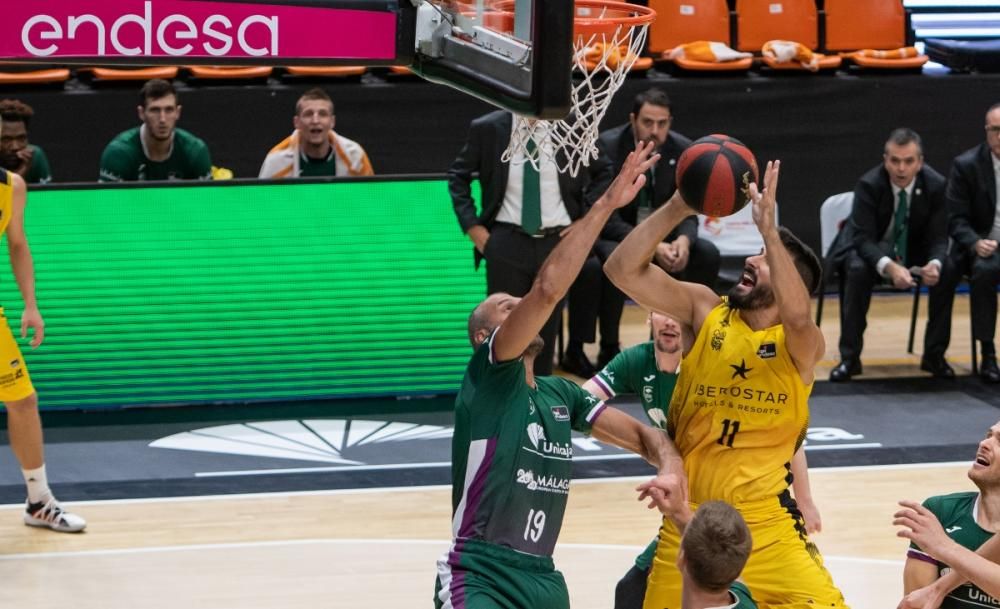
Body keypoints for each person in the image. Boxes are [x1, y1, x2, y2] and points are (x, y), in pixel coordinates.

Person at [434, 141, 685, 609]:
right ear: (484, 338)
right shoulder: (488, 377)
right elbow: (548, 289)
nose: (522, 308)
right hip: (480, 571)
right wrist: (606, 203)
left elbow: (648, 438)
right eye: (507, 307)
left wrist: (670, 470)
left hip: (544, 578)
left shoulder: (561, 396)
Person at [605, 160, 847, 608]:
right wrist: (680, 204)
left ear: (791, 282)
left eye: (766, 258)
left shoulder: (802, 345)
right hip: (689, 521)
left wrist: (771, 233)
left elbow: (796, 315)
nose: (751, 259)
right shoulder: (704, 310)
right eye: (756, 250)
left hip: (768, 528)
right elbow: (621, 271)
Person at [584, 312, 821, 609]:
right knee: (633, 590)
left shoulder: (712, 366)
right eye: (662, 313)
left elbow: (785, 438)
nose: (670, 322)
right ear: (648, 318)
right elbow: (583, 401)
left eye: (676, 316)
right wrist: (650, 442)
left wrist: (806, 499)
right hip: (692, 504)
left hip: (745, 499)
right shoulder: (636, 360)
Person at [448, 110, 613, 376]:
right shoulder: (488, 127)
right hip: (505, 242)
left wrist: (586, 219)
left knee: (543, 332)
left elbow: (604, 171)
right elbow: (458, 176)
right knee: (502, 332)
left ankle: (541, 402)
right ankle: (502, 398)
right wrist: (473, 228)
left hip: (558, 242)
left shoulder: (572, 127)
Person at [573, 89, 721, 370]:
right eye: (647, 122)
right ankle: (608, 347)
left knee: (706, 253)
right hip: (615, 234)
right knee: (614, 259)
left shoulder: (684, 150)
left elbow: (689, 209)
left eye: (662, 123)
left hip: (664, 237)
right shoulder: (607, 146)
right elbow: (602, 213)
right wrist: (651, 245)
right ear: (633, 119)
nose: (655, 130)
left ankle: (692, 339)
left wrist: (683, 240)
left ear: (670, 122)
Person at [0, 128, 85, 532]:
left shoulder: (11, 187)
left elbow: (17, 244)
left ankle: (39, 501)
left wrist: (31, 305)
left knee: (23, 401)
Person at [827, 128, 953, 382]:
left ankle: (934, 356)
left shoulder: (937, 186)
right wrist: (890, 267)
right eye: (895, 160)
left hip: (914, 252)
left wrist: (935, 263)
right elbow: (861, 239)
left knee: (948, 268)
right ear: (886, 160)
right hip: (872, 252)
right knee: (857, 269)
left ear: (920, 162)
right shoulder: (869, 184)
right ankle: (850, 358)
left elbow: (940, 237)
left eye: (908, 161)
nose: (901, 169)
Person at [894, 419, 1000, 607]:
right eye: (988, 436)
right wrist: (939, 588)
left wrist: (946, 548)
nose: (984, 444)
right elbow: (916, 603)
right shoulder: (941, 511)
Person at [942, 102, 1000, 383]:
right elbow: (955, 219)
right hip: (984, 245)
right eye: (996, 130)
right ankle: (988, 353)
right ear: (986, 132)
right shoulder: (967, 165)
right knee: (985, 271)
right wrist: (976, 242)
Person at [639, 476, 757, 609]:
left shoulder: (742, 592)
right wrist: (679, 512)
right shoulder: (745, 601)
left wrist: (678, 511)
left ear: (681, 559)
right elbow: (727, 558)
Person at [99, 79, 212, 182]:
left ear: (177, 113)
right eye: (155, 110)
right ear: (141, 113)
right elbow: (109, 203)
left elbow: (207, 202)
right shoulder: (118, 153)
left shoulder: (195, 151)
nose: (162, 119)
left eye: (169, 110)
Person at [258, 88, 373, 179]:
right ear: (297, 122)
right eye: (308, 114)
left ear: (332, 121)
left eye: (322, 114)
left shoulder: (355, 156)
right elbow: (262, 204)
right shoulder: (276, 161)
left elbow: (370, 199)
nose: (315, 121)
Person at [0, 99, 52, 184]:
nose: (15, 147)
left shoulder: (36, 156)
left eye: (21, 138)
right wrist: (21, 172)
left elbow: (46, 196)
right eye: (6, 140)